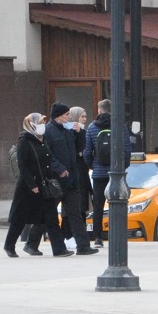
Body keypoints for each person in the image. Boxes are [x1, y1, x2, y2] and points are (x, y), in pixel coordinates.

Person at [30, 102, 99, 256]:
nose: (69, 117)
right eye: (67, 114)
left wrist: (80, 133)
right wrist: (59, 168)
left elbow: (80, 148)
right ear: (59, 116)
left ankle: (83, 245)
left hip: (72, 179)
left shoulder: (68, 130)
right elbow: (46, 154)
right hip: (56, 181)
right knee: (48, 212)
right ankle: (31, 243)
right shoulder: (48, 131)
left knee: (75, 213)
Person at [3, 113, 73, 258]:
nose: (42, 126)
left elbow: (49, 159)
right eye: (39, 123)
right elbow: (22, 165)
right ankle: (9, 246)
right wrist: (31, 184)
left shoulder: (42, 141)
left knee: (51, 217)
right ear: (31, 125)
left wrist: (58, 170)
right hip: (28, 188)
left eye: (42, 123)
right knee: (19, 219)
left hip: (44, 186)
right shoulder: (25, 141)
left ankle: (59, 249)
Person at [83, 99, 131, 248]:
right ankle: (116, 235)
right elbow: (127, 149)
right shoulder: (119, 126)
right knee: (117, 204)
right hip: (116, 172)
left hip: (98, 174)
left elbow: (87, 151)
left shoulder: (91, 127)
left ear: (99, 110)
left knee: (98, 206)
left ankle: (98, 238)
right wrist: (123, 167)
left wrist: (92, 166)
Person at [64, 106, 93, 243]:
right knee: (72, 207)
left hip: (82, 173)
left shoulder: (83, 132)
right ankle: (70, 237)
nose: (84, 119)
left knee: (81, 208)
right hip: (72, 173)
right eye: (82, 116)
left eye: (85, 116)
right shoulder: (67, 132)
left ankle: (81, 239)